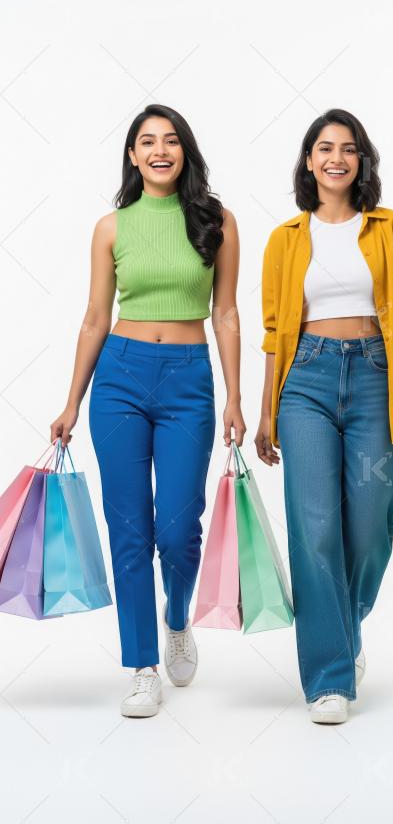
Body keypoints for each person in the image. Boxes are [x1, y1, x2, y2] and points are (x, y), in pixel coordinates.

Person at [50, 104, 246, 718]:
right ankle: (141, 666)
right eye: (146, 142)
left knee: (179, 531)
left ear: (184, 151)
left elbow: (227, 314)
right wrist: (71, 401)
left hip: (190, 380)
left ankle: (177, 618)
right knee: (130, 529)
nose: (159, 150)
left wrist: (236, 395)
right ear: (133, 156)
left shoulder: (216, 220)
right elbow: (93, 318)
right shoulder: (112, 228)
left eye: (170, 140)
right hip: (120, 380)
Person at [255, 108, 393, 725]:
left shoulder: (391, 229)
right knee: (314, 532)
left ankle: (343, 631)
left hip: (374, 380)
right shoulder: (285, 238)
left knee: (370, 528)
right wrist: (265, 413)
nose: (337, 157)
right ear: (309, 161)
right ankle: (330, 677)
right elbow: (275, 332)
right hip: (304, 380)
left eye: (349, 148)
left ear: (361, 161)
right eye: (325, 147)